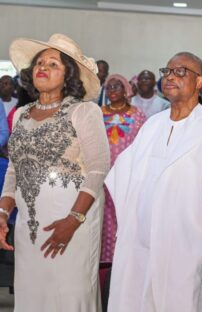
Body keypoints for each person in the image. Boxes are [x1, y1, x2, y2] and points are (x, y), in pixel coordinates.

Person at [105, 51, 202, 312]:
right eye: (168, 71)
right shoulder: (152, 125)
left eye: (181, 71)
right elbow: (123, 178)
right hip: (141, 239)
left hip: (190, 243)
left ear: (200, 82)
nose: (171, 76)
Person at [0, 33, 110, 311]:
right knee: (33, 294)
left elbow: (98, 168)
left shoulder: (84, 111)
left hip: (73, 223)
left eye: (53, 64)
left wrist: (73, 221)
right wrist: (2, 213)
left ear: (69, 75)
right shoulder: (22, 114)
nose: (43, 68)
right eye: (39, 63)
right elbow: (14, 168)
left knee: (69, 294)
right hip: (30, 225)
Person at [100, 74, 146, 264]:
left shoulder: (138, 115)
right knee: (103, 219)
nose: (112, 91)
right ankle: (103, 262)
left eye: (117, 87)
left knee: (123, 217)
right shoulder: (97, 113)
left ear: (126, 90)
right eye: (109, 88)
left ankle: (124, 261)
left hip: (127, 178)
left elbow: (143, 147)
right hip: (101, 177)